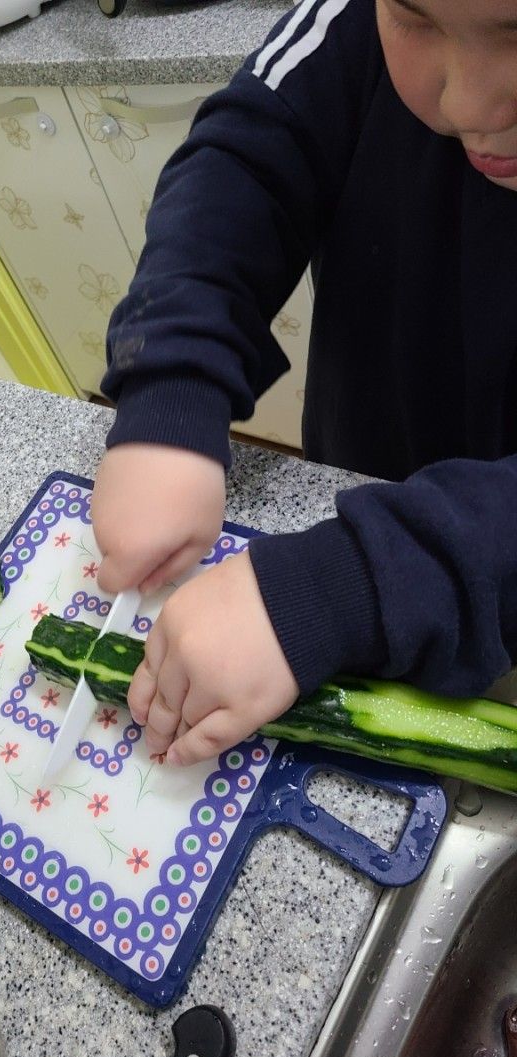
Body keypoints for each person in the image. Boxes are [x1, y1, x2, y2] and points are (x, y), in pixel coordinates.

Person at [89, 0, 517, 768]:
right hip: (350, 507)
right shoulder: (347, 24)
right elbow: (243, 164)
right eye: (414, 18)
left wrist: (336, 590)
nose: (467, 104)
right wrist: (171, 385)